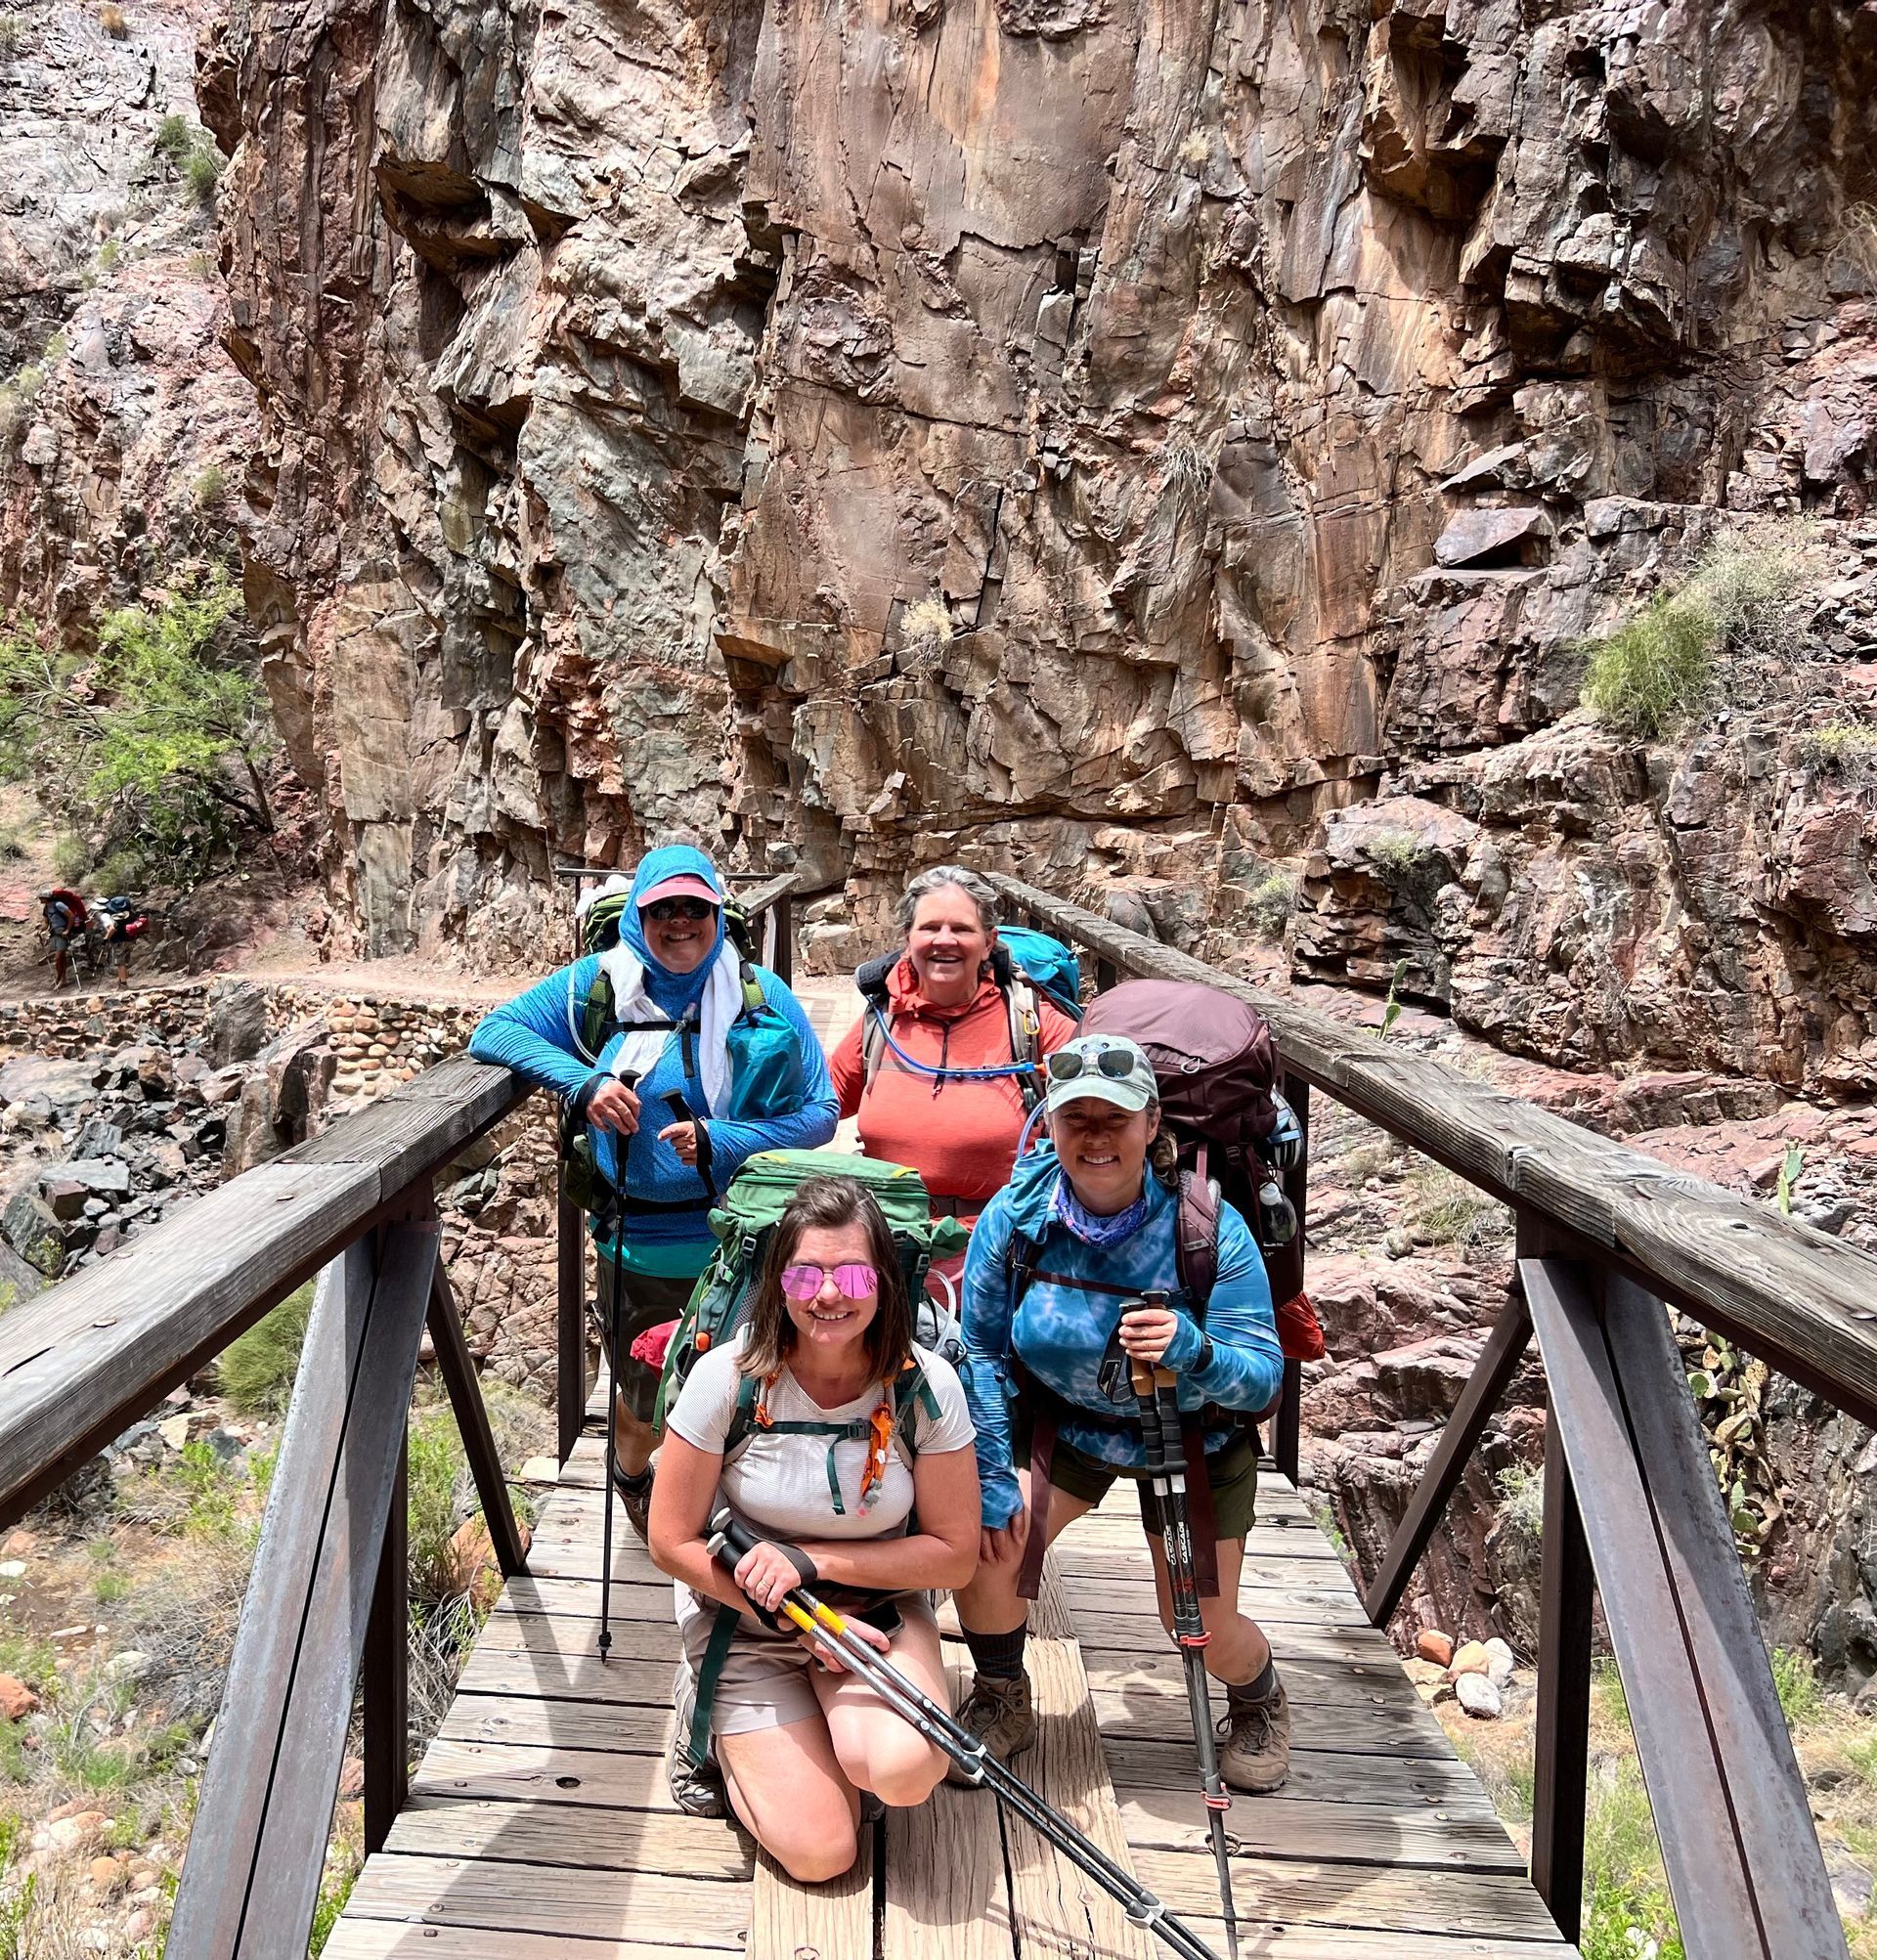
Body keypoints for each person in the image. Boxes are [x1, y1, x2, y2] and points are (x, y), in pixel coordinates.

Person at [951, 1032, 1293, 1792]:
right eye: (1077, 1119)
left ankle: (1259, 1694)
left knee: (1196, 1626)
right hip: (1067, 1424)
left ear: (1152, 1124)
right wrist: (993, 1477)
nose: (1096, 1136)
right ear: (1051, 1125)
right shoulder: (1017, 1218)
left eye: (1117, 1118)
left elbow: (1261, 1378)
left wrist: (1195, 1350)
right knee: (986, 1551)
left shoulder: (1205, 1227)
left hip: (1192, 1437)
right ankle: (1004, 1698)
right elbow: (979, 1348)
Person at [469, 845, 839, 1536]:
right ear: (638, 915)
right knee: (642, 1405)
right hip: (636, 1248)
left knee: (743, 1387)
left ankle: (720, 1511)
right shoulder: (596, 986)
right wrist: (584, 1083)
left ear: (718, 913)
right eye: (661, 908)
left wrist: (722, 1138)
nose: (678, 922)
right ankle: (634, 1479)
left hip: (742, 1241)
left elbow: (822, 1113)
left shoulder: (759, 993)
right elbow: (492, 1031)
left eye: (694, 907)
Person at [648, 1174, 980, 1870]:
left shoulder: (923, 1386)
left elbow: (954, 1554)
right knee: (823, 1854)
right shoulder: (728, 1379)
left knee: (902, 1770)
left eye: (854, 1272)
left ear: (885, 1281)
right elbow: (671, 1538)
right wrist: (796, 1616)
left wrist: (815, 1565)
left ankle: (820, 1733)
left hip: (876, 1612)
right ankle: (712, 1725)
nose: (829, 1293)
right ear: (778, 1282)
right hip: (746, 1617)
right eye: (806, 1272)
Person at [829, 866, 1077, 1225]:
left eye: (962, 928)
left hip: (999, 1248)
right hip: (886, 1243)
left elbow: (1106, 1098)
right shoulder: (879, 1022)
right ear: (907, 937)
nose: (944, 940)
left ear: (989, 942)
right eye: (930, 927)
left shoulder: (1032, 1023)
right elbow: (818, 1105)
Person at [39, 890, 80, 990]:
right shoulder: (46, 908)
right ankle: (63, 979)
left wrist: (67, 930)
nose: (40, 900)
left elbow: (71, 916)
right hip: (54, 934)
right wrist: (40, 930)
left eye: (41, 898)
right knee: (61, 958)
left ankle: (59, 979)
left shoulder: (59, 905)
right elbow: (46, 922)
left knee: (58, 957)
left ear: (46, 898)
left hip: (62, 934)